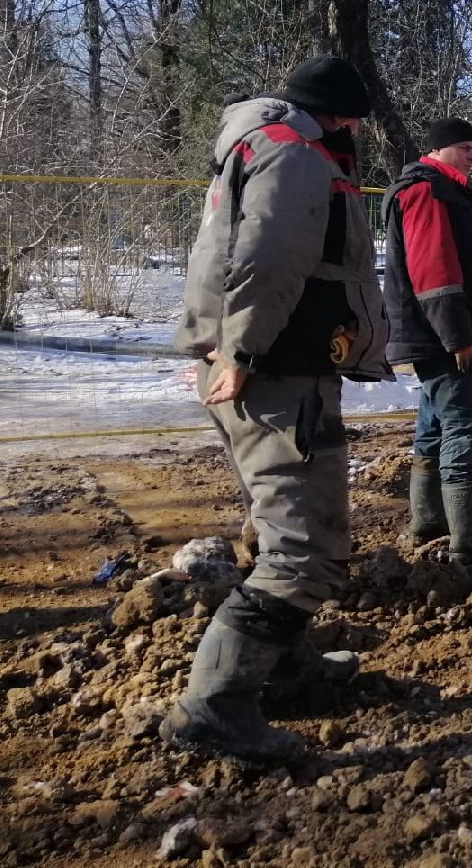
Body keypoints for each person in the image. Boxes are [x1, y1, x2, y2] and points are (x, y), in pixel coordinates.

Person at [162, 56, 391, 763]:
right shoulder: (296, 155)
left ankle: (284, 669)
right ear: (337, 113)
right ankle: (214, 710)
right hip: (279, 371)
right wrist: (244, 351)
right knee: (305, 550)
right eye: (353, 118)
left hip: (263, 364)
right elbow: (269, 258)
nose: (356, 130)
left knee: (276, 528)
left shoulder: (256, 141)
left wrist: (230, 350)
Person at [382, 117, 472, 563]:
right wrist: (459, 338)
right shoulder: (428, 191)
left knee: (434, 425)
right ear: (439, 149)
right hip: (440, 337)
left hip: (432, 336)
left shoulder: (441, 189)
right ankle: (471, 537)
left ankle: (428, 521)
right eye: (464, 147)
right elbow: (435, 273)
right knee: (462, 424)